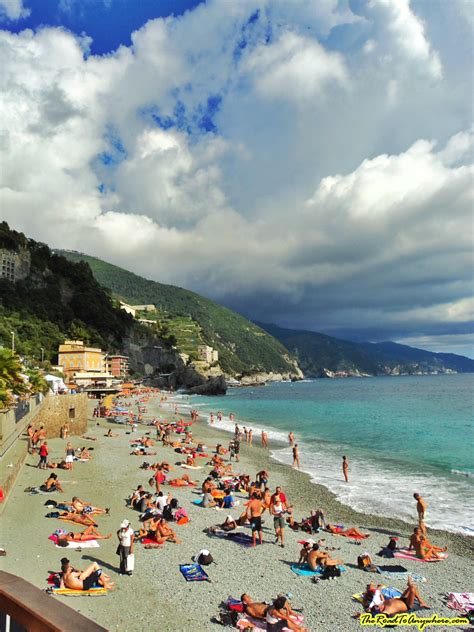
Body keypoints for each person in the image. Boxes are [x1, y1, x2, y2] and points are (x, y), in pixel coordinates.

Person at [364, 578, 429, 615]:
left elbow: (380, 597)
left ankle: (409, 586)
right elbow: (382, 615)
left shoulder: (382, 603)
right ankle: (421, 601)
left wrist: (379, 593)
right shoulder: (387, 610)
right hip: (407, 604)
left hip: (401, 598)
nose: (377, 604)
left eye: (376, 605)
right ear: (380, 609)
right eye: (377, 606)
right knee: (413, 587)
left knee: (412, 588)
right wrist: (362, 616)